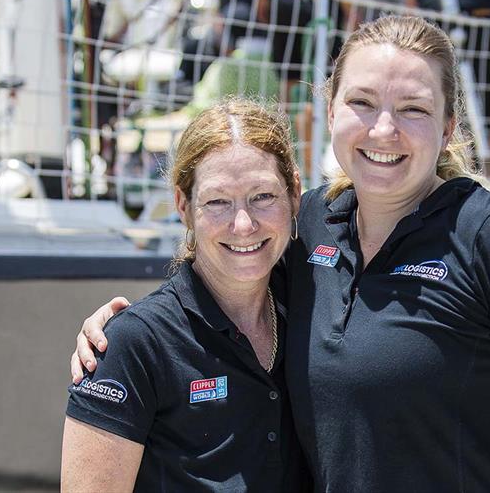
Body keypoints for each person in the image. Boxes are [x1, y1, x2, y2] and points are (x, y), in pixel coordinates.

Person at [71, 16, 490, 492]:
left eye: (413, 109)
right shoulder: (305, 225)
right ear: (330, 111)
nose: (383, 129)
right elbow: (223, 274)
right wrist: (121, 332)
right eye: (362, 102)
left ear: (448, 130)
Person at [61, 98, 309, 492]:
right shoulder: (132, 343)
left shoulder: (313, 304)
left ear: (295, 192)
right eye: (217, 201)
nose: (243, 224)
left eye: (263, 196)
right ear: (183, 206)